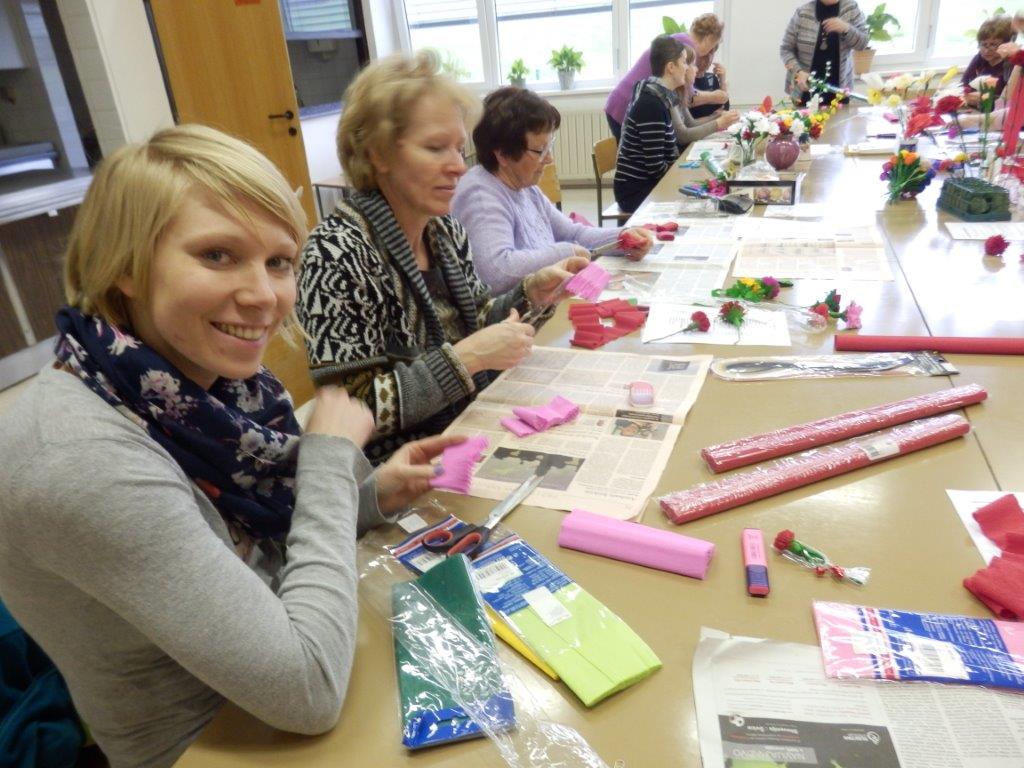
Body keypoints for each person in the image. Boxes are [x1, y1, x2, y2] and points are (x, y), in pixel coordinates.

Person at [0, 124, 456, 767]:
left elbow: (240, 545)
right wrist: (328, 465)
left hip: (273, 683)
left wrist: (367, 496)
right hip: (215, 741)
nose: (264, 297)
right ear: (125, 265)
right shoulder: (81, 460)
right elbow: (307, 689)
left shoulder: (205, 388)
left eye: (279, 262)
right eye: (217, 255)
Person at [297, 52, 587, 464]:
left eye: (458, 149)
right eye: (435, 148)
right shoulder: (335, 253)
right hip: (402, 468)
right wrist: (469, 357)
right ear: (377, 154)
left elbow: (479, 317)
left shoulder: (444, 230)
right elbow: (352, 410)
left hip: (469, 426)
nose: (457, 167)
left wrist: (529, 294)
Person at [451, 87, 652, 294]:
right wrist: (566, 252)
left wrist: (622, 238)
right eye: (540, 150)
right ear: (502, 154)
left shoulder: (525, 188)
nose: (549, 159)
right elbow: (496, 271)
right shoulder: (480, 196)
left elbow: (573, 233)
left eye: (549, 147)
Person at [613, 36, 738, 214]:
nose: (687, 67)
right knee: (707, 205)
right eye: (684, 62)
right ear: (671, 67)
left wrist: (687, 172)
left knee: (710, 195)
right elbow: (656, 169)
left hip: (650, 183)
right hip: (636, 193)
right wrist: (686, 176)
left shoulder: (663, 97)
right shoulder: (651, 105)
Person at [604, 13, 730, 139]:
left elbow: (685, 98)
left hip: (624, 100)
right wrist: (715, 97)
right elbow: (690, 98)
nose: (711, 51)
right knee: (633, 148)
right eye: (713, 45)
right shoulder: (685, 47)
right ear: (708, 39)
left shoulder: (681, 40)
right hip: (624, 104)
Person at [780, 0, 868, 104]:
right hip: (805, 91)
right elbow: (786, 49)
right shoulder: (802, 13)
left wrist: (846, 28)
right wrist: (798, 72)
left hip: (839, 93)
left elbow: (862, 44)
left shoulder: (851, 8)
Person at [963, 16, 1015, 108]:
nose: (986, 51)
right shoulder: (980, 58)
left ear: (1006, 44)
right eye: (983, 44)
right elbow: (964, 83)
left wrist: (985, 98)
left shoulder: (1012, 64)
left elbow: (1009, 100)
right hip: (976, 109)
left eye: (993, 45)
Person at [687, 13, 731, 120]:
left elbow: (724, 108)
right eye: (704, 55)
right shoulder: (686, 77)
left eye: (712, 54)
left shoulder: (711, 78)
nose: (707, 59)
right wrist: (714, 99)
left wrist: (722, 82)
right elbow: (687, 103)